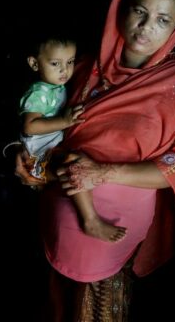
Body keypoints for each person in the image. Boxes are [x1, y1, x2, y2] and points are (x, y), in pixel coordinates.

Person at [14, 0, 175, 321]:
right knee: (55, 301)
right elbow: (44, 127)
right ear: (122, 10)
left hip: (116, 216)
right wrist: (28, 157)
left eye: (162, 20)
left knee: (101, 305)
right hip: (61, 203)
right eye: (139, 11)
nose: (147, 26)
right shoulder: (84, 67)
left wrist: (101, 172)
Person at [19, 34, 127, 243]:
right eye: (55, 63)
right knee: (74, 164)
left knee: (72, 165)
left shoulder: (55, 87)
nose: (64, 70)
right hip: (37, 155)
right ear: (34, 63)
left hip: (49, 149)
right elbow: (30, 126)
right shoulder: (39, 92)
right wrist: (65, 121)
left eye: (69, 62)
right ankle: (90, 221)